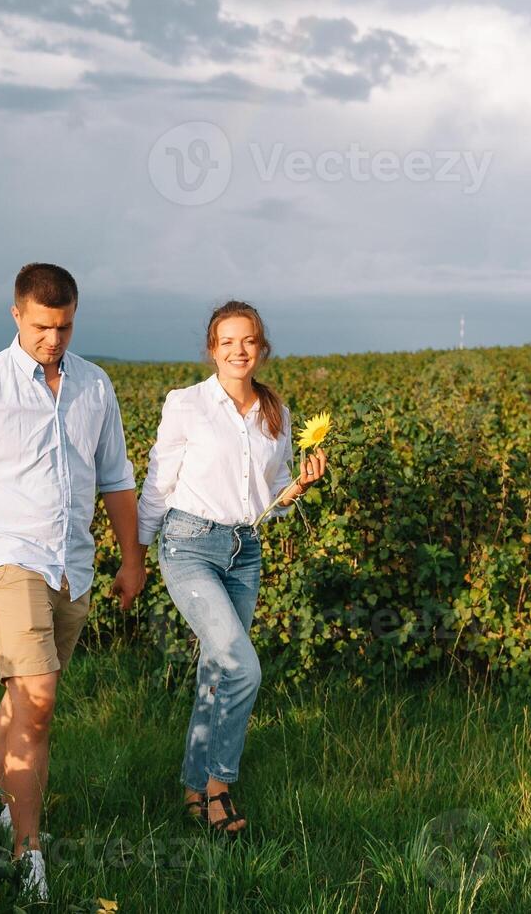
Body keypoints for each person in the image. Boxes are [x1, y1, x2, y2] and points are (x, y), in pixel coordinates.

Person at [0, 263, 146, 899]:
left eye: (67, 326)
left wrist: (131, 559)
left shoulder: (95, 386)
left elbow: (116, 478)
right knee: (41, 700)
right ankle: (28, 856)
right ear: (17, 315)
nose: (55, 339)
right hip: (7, 559)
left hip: (71, 564)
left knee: (24, 701)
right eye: (44, 326)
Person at [136, 299, 328, 837]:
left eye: (248, 341)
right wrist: (137, 555)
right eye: (227, 342)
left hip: (246, 551)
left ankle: (192, 791)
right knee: (244, 667)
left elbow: (268, 494)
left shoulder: (276, 413)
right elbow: (159, 482)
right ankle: (221, 787)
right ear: (212, 349)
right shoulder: (187, 404)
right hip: (190, 545)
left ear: (261, 349)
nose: (238, 351)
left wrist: (299, 488)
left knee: (217, 673)